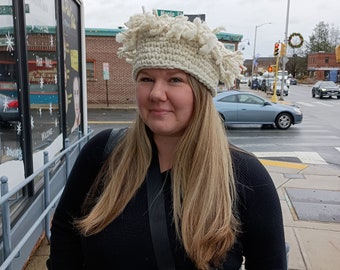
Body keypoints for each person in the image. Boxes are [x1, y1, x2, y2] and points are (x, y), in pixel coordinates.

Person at [47, 10, 287, 270]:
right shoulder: (102, 152)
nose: (157, 93)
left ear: (201, 92)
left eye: (175, 79)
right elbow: (65, 231)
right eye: (146, 78)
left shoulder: (245, 177)